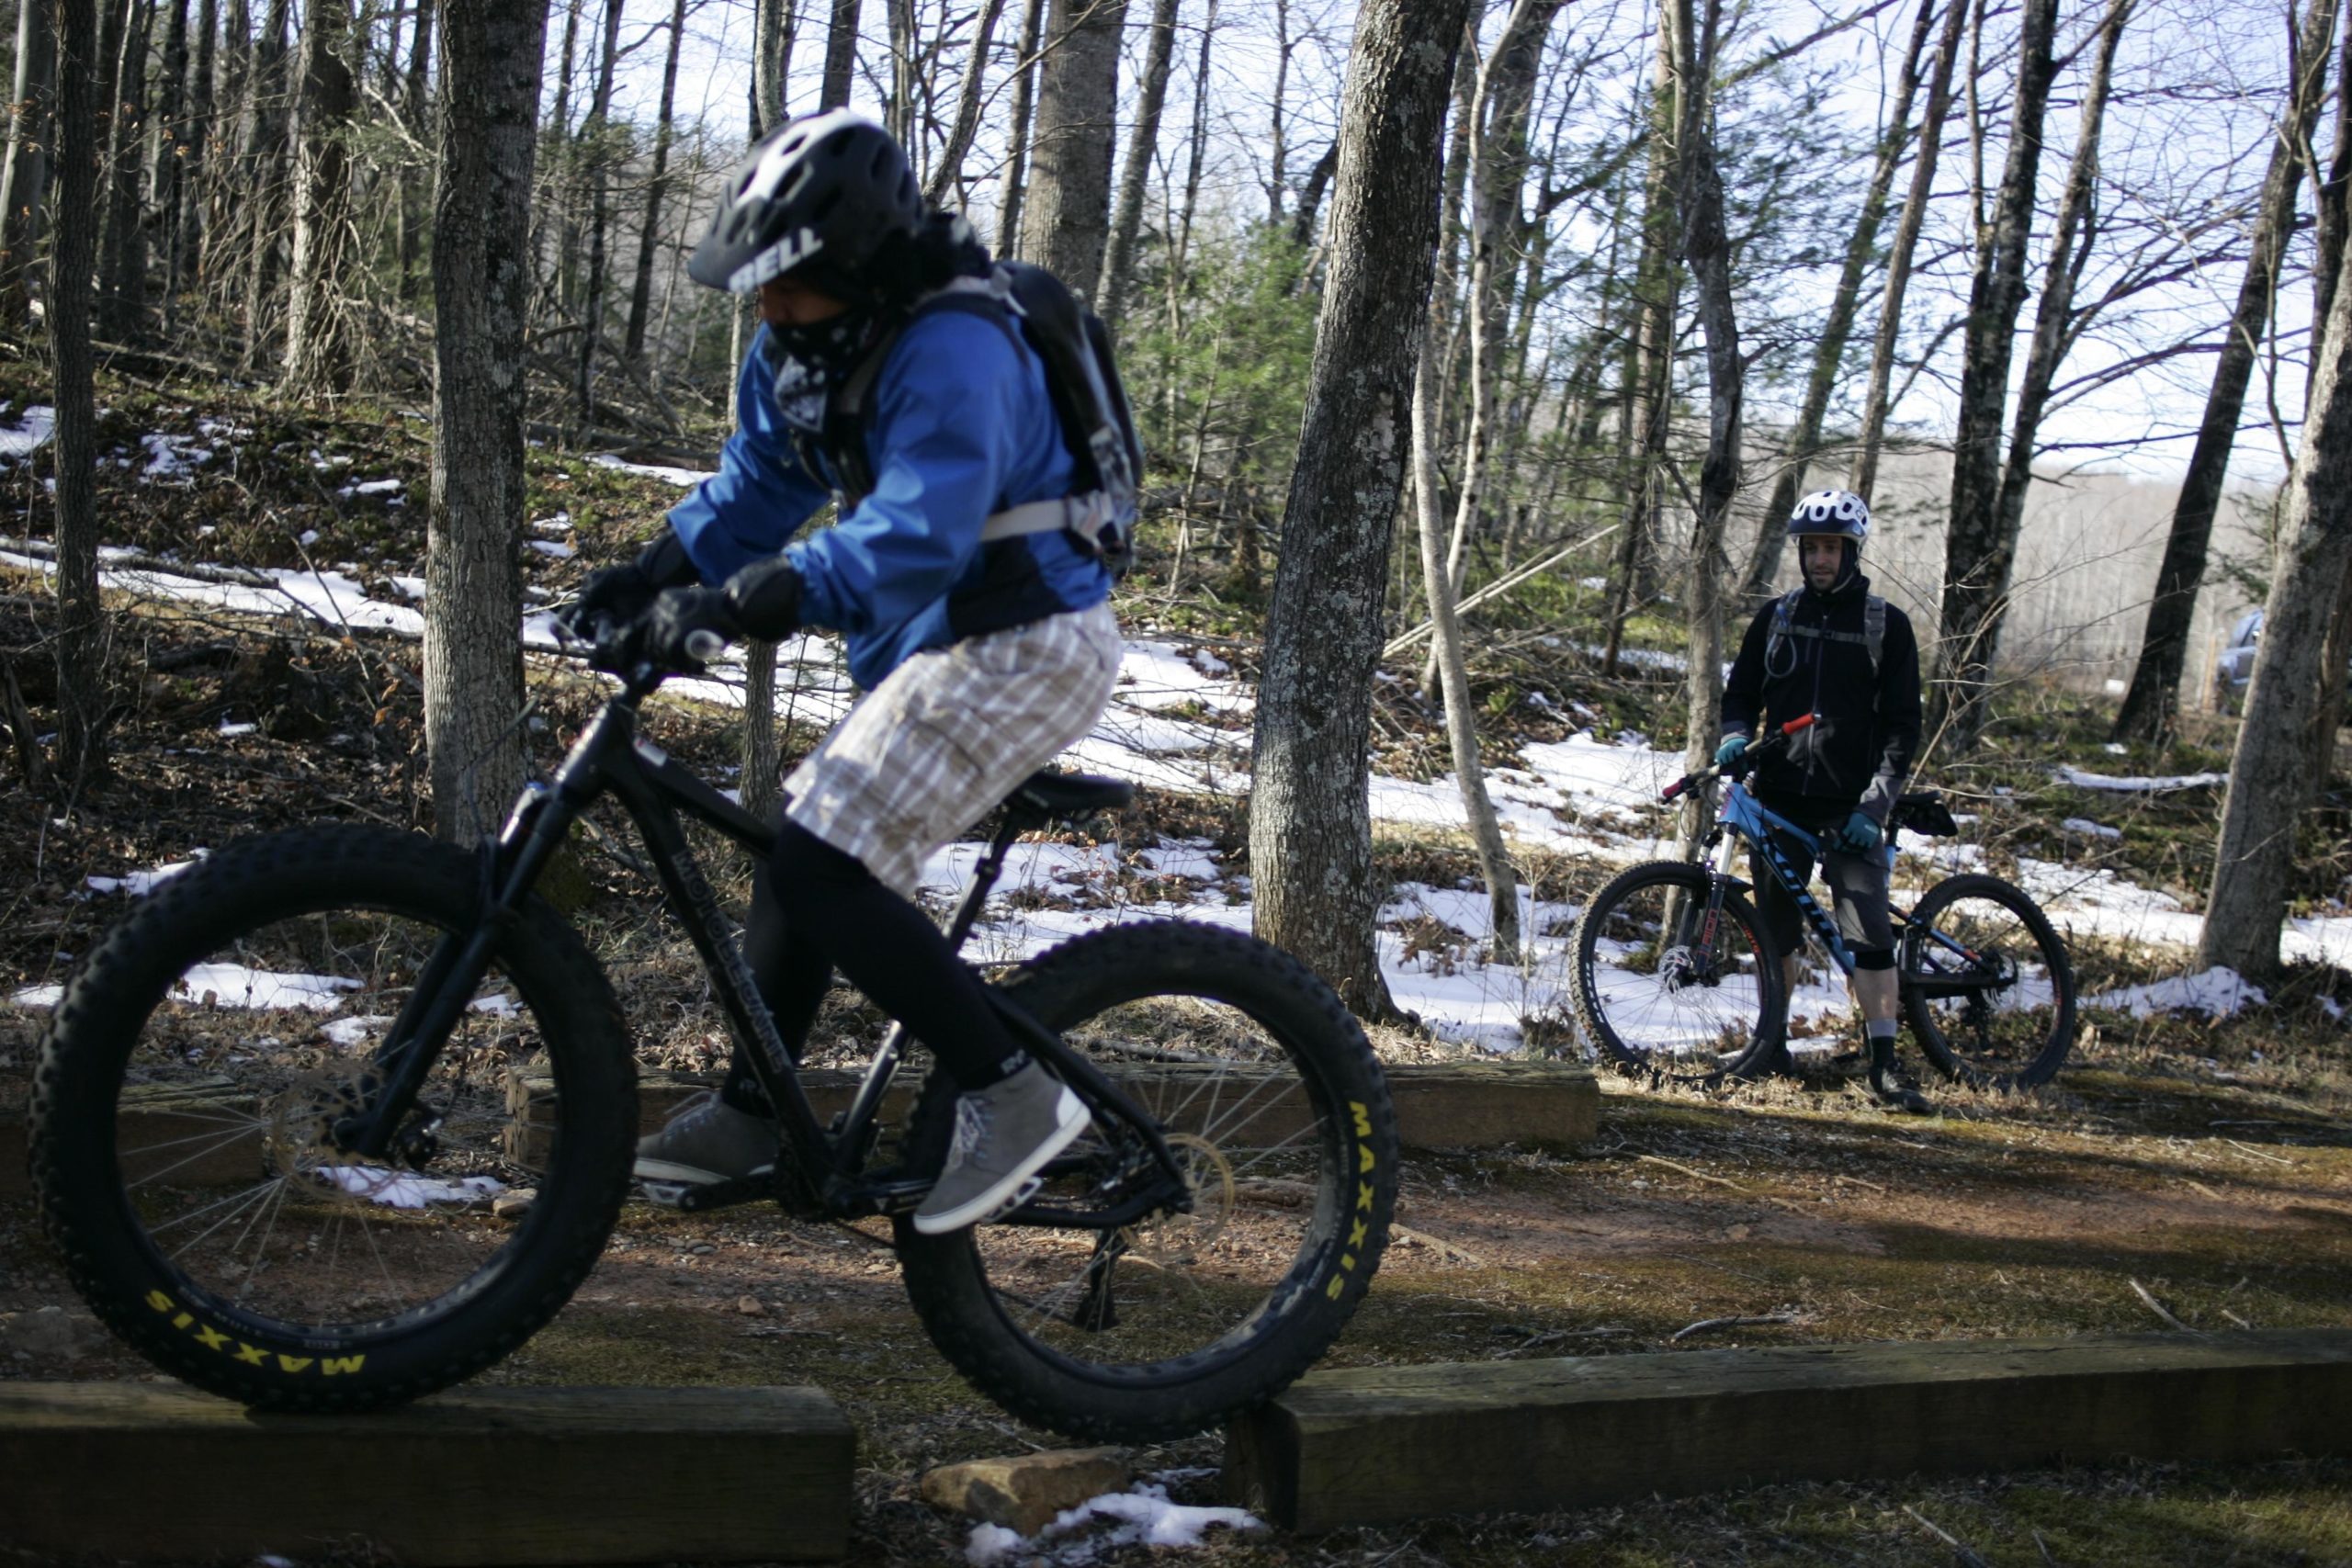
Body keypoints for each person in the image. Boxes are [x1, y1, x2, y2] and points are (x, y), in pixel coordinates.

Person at [560, 110, 1126, 1232]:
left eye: (790, 287)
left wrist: (757, 596)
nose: (767, 310)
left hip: (1026, 639)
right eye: (757, 288)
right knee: (796, 857)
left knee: (822, 868)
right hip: (942, 643)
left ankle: (1013, 1098)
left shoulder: (955, 346)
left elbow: (920, 528)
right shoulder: (802, 352)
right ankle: (749, 1118)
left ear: (860, 266)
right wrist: (649, 572)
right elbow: (757, 491)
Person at [1716, 489, 1928, 1112]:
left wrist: (1874, 808)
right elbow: (1740, 695)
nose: (1821, 558)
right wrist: (1734, 737)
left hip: (1851, 808)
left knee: (1867, 933)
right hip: (1779, 798)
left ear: (1851, 550)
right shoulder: (1776, 617)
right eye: (1812, 547)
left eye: (1832, 547)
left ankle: (1885, 1063)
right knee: (1774, 932)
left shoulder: (1886, 626)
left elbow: (1901, 728)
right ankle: (1771, 1044)